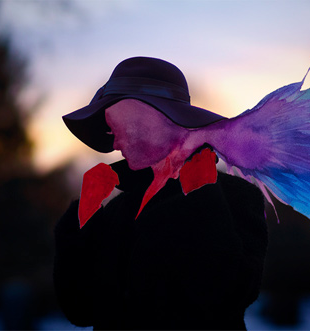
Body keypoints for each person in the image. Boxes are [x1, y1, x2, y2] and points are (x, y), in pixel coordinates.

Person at [53, 57, 268, 330]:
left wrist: (202, 197)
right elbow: (81, 309)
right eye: (110, 128)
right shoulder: (119, 210)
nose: (114, 141)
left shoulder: (235, 198)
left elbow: (226, 292)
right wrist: (86, 215)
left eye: (120, 125)